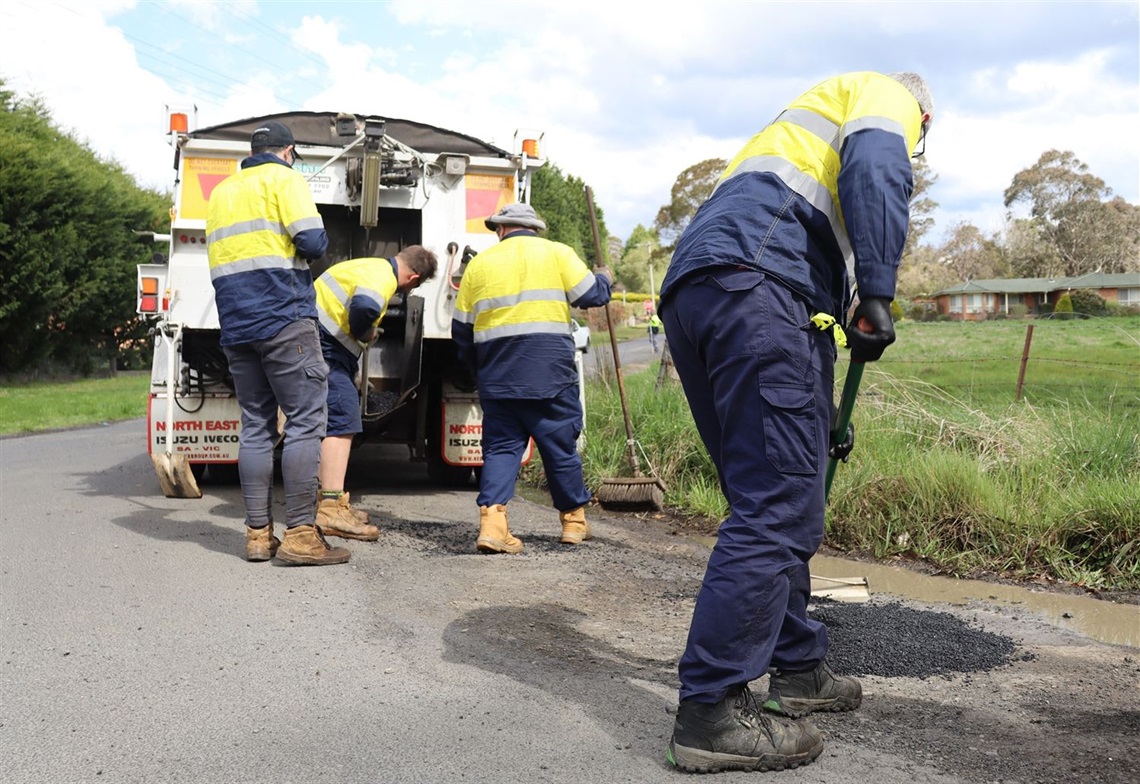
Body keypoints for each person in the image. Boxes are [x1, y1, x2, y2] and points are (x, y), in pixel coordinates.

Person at [657, 72, 934, 773]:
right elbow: (878, 164)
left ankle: (798, 667)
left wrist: (819, 422)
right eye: (921, 140)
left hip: (705, 291)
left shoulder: (794, 139)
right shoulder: (885, 96)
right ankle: (712, 712)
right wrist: (877, 290)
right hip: (758, 285)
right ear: (924, 116)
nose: (916, 148)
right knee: (776, 508)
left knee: (777, 495)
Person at [206, 119, 350, 567]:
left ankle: (257, 536)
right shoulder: (285, 179)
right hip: (284, 318)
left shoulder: (221, 193)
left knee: (255, 427)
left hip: (236, 325)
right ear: (288, 152)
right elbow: (312, 241)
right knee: (306, 421)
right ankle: (302, 535)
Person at [451, 203, 612, 554]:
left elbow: (461, 332)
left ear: (501, 230)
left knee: (501, 449)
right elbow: (593, 296)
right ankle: (572, 523)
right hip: (549, 374)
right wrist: (605, 277)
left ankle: (493, 526)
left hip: (498, 376)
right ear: (534, 228)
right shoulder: (558, 253)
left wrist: (477, 374)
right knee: (559, 448)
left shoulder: (478, 265)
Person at [314, 247, 439, 541]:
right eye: (414, 285)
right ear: (413, 276)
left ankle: (334, 502)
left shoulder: (370, 266)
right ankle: (330, 508)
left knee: (338, 418)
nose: (407, 289)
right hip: (324, 347)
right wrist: (366, 332)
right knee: (343, 419)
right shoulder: (383, 278)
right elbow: (365, 307)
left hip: (322, 344)